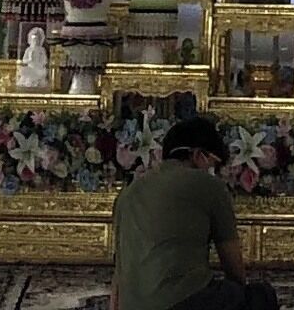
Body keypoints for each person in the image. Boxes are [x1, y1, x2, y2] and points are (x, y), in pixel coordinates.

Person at [115, 110, 277, 310]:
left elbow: (119, 273)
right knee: (260, 296)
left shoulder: (128, 192)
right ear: (199, 155)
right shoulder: (209, 184)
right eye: (215, 166)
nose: (215, 173)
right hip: (182, 301)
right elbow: (233, 265)